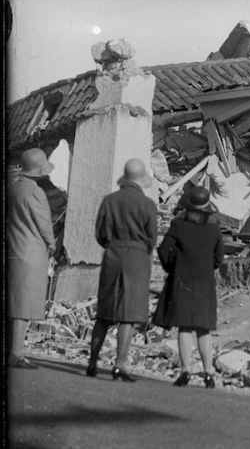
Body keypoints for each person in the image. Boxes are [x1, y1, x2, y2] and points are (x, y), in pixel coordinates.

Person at [87, 158, 157, 382]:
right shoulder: (147, 205)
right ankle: (119, 364)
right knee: (129, 314)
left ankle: (92, 362)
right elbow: (152, 237)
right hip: (136, 256)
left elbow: (99, 233)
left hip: (113, 253)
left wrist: (112, 245)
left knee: (105, 312)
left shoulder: (109, 200)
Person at [152, 186, 224, 389]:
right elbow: (219, 258)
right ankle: (209, 372)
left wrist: (172, 267)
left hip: (182, 280)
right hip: (204, 282)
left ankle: (186, 370)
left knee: (184, 327)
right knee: (203, 328)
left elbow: (163, 249)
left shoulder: (178, 225)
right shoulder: (214, 228)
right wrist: (206, 267)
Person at [7, 148, 57, 369]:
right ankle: (16, 354)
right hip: (32, 252)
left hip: (15, 249)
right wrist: (53, 245)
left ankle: (14, 351)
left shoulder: (14, 189)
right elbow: (44, 224)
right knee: (23, 307)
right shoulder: (35, 192)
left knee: (16, 303)